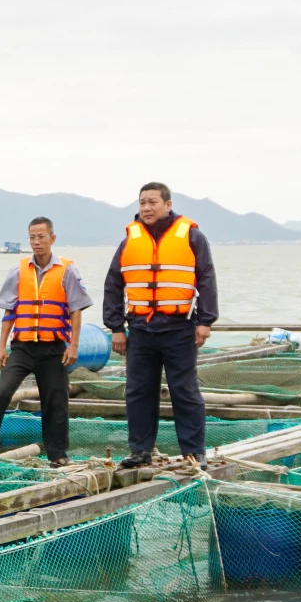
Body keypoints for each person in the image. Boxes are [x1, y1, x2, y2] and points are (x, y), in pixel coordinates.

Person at [103, 182, 218, 467]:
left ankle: (194, 452)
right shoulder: (130, 239)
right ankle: (140, 450)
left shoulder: (192, 236)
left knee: (185, 391)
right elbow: (113, 284)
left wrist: (205, 321)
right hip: (140, 329)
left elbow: (207, 278)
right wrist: (116, 326)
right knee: (138, 391)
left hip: (179, 328)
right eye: (142, 202)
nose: (146, 207)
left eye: (152, 201)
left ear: (168, 204)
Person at [0, 216, 93, 464]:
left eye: (41, 237)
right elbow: (9, 311)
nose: (36, 242)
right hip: (22, 347)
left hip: (54, 348)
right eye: (32, 237)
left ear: (52, 239)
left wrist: (74, 345)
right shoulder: (18, 271)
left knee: (56, 401)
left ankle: (57, 454)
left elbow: (76, 309)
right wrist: (1, 347)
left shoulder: (68, 270)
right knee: (2, 392)